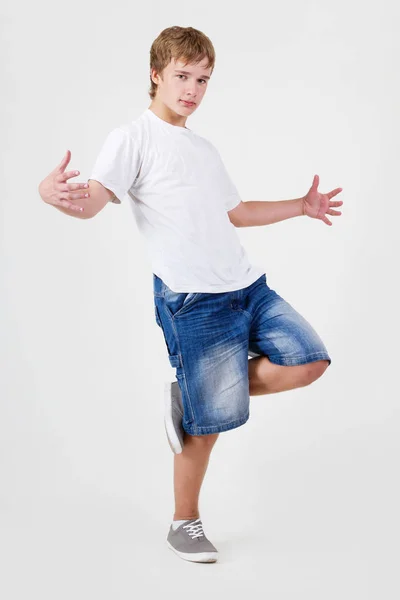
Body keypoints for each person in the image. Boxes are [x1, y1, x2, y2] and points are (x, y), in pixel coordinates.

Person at [38, 25, 343, 564]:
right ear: (155, 75)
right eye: (182, 76)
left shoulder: (201, 147)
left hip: (248, 287)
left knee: (310, 361)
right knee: (210, 427)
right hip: (194, 303)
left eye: (203, 79)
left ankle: (193, 397)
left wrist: (301, 205)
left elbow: (235, 213)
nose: (193, 90)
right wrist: (54, 195)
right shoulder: (131, 138)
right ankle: (185, 521)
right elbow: (92, 200)